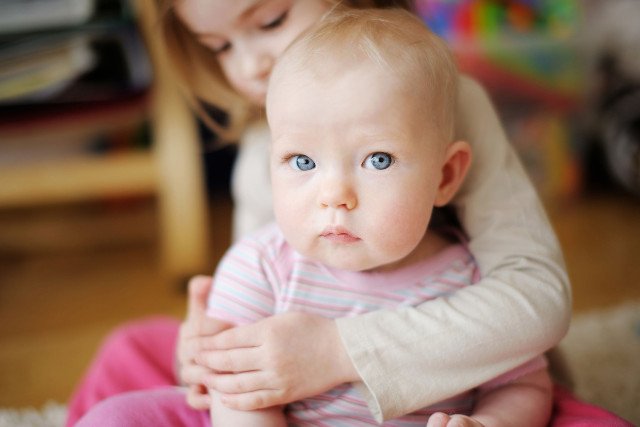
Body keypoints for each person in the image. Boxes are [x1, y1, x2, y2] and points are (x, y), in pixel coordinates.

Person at [67, 0, 604, 425]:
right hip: (299, 391)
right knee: (128, 356)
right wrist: (213, 357)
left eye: (270, 19)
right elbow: (264, 309)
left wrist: (338, 351)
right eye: (220, 46)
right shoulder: (261, 148)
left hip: (456, 372)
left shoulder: (456, 106)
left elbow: (538, 300)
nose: (250, 63)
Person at [204, 8, 552, 426]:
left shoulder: (473, 281)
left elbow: (521, 385)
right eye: (301, 161)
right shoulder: (259, 269)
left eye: (379, 159)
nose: (334, 196)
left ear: (445, 175)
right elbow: (239, 395)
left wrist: (492, 422)